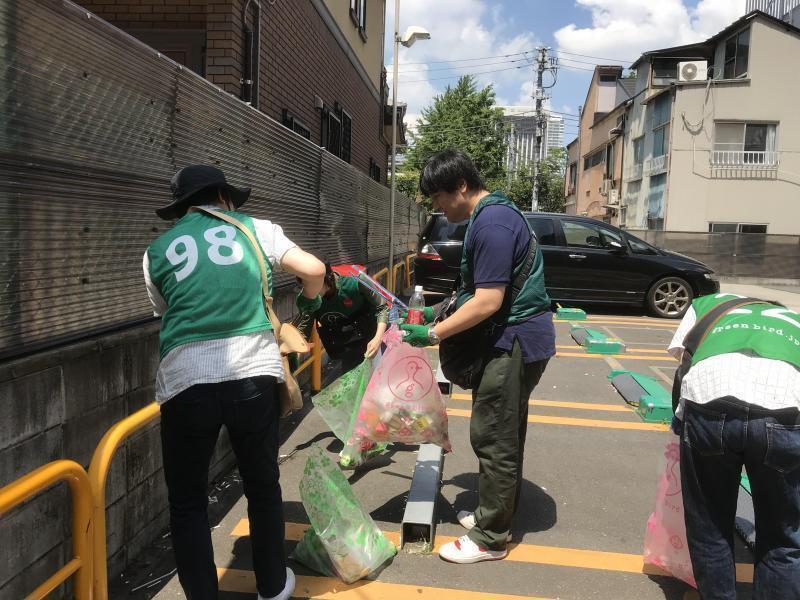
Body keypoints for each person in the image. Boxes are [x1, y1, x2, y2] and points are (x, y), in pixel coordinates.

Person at [143, 165, 325, 600]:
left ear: (181, 207)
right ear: (224, 198)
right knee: (262, 486)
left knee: (187, 504)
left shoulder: (156, 250)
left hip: (185, 381)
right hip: (251, 375)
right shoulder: (254, 228)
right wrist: (310, 299)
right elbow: (314, 268)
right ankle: (272, 586)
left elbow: (165, 309)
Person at [400, 149, 556, 564]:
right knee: (503, 434)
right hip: (515, 340)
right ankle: (495, 514)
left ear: (462, 186)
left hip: (512, 344)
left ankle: (490, 538)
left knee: (495, 437)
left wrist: (433, 333)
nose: (436, 206)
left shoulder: (492, 224)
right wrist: (435, 313)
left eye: (438, 197)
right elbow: (471, 292)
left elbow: (487, 301)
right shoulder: (492, 217)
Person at [669, 293, 800, 599]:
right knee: (784, 537)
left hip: (710, 402)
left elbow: (683, 358)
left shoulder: (708, 306)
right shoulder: (795, 322)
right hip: (785, 410)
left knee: (710, 526)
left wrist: (680, 421)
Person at [294, 263, 388, 373]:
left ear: (327, 279)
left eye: (311, 285)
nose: (308, 292)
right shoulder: (309, 299)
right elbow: (303, 333)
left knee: (378, 373)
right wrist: (291, 359)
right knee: (353, 378)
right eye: (304, 286)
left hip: (374, 327)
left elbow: (382, 308)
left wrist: (377, 339)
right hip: (347, 338)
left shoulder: (355, 280)